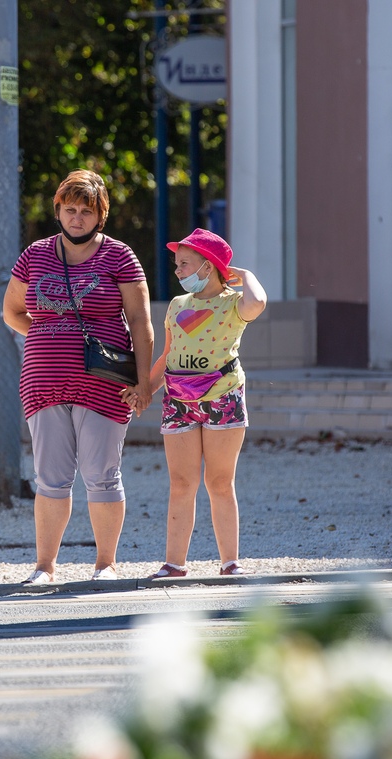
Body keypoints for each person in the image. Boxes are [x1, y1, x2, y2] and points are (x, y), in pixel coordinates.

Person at [2, 169, 154, 584]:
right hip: (43, 381)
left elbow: (140, 321)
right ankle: (44, 568)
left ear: (100, 215)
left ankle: (106, 565)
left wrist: (143, 383)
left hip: (104, 383)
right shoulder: (34, 254)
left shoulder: (120, 256)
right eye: (69, 209)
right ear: (58, 210)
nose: (77, 218)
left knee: (102, 474)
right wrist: (46, 333)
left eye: (86, 211)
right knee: (50, 477)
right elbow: (12, 311)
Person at [128, 228, 267, 578]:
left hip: (223, 397)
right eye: (177, 264)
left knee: (220, 482)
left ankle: (230, 562)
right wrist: (146, 389)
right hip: (178, 401)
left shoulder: (234, 304)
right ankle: (174, 564)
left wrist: (245, 275)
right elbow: (168, 355)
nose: (178, 271)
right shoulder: (178, 305)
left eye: (185, 264)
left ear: (208, 267)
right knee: (181, 483)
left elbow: (258, 302)